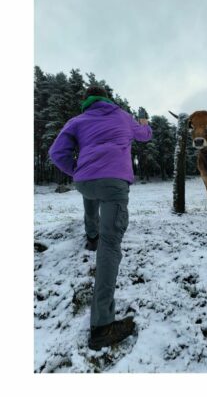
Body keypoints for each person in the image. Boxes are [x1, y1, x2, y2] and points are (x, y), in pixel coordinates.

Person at [48, 87, 153, 350]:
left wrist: (76, 170)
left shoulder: (77, 121)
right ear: (107, 98)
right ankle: (102, 326)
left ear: (87, 101)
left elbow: (56, 153)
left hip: (85, 181)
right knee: (111, 244)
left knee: (91, 192)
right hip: (114, 181)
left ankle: (91, 235)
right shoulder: (123, 116)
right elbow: (144, 137)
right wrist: (145, 124)